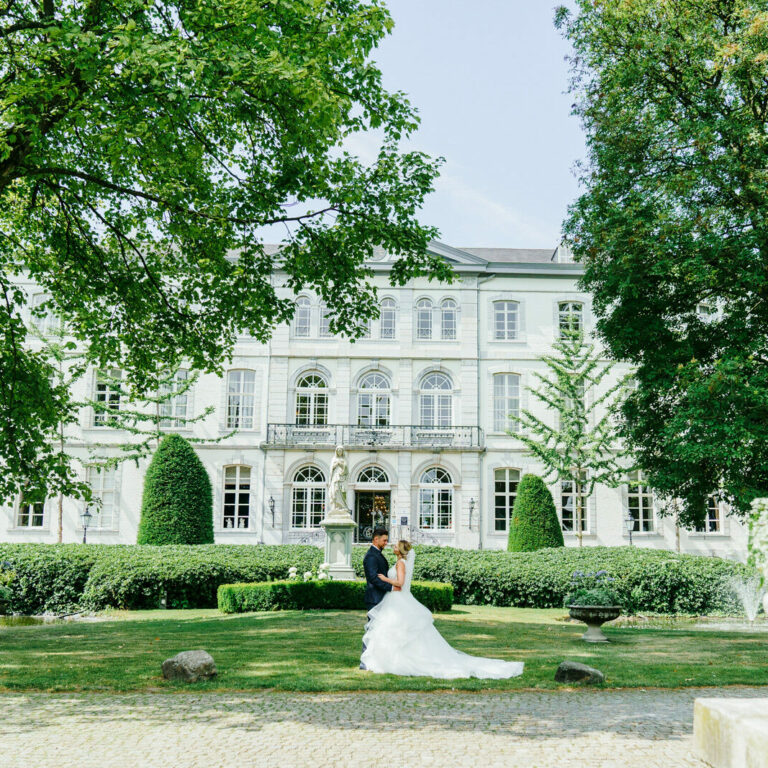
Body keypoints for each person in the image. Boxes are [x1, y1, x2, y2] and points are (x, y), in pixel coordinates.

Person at [360, 540, 524, 680]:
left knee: (401, 630)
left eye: (395, 545)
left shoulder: (401, 563)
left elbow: (400, 583)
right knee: (392, 630)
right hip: (394, 600)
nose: (392, 546)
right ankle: (384, 659)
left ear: (400, 550)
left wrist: (385, 579)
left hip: (398, 598)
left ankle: (397, 660)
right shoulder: (398, 562)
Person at [360, 527, 392, 670]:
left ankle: (377, 659)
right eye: (384, 540)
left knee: (380, 630)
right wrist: (390, 588)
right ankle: (365, 661)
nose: (386, 543)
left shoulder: (377, 554)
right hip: (375, 598)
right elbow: (373, 578)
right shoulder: (372, 556)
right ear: (376, 539)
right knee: (372, 629)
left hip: (380, 597)